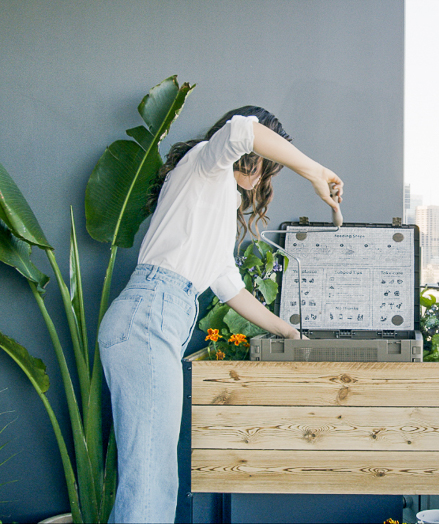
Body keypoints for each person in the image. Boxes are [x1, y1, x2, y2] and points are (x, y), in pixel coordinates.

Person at [99, 106, 343, 523]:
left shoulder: (215, 199)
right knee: (150, 483)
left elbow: (225, 281)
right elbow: (244, 130)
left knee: (153, 479)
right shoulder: (205, 161)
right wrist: (315, 172)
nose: (266, 176)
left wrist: (288, 331)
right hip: (148, 317)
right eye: (270, 163)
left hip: (154, 318)